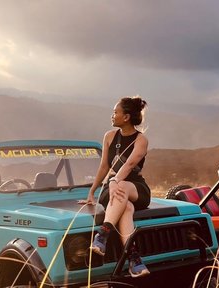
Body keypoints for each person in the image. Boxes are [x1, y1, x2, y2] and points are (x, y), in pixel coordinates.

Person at [79, 95, 151, 278]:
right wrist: (92, 191)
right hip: (114, 192)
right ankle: (134, 259)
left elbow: (129, 165)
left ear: (126, 117)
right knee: (125, 206)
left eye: (115, 112)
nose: (112, 115)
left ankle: (103, 234)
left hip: (136, 188)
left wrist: (113, 181)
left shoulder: (141, 140)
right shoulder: (109, 136)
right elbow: (104, 166)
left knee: (124, 188)